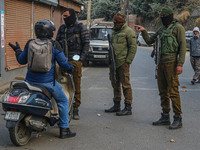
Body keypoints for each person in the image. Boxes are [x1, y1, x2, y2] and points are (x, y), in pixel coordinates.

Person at [9, 20, 76, 138]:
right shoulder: (54, 45)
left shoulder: (30, 43)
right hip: (48, 83)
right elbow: (64, 64)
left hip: (29, 82)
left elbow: (21, 60)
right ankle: (64, 129)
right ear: (49, 32)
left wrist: (17, 51)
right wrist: (71, 67)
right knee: (63, 101)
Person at [135, 6, 186, 129]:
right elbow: (149, 41)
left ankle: (178, 118)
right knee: (163, 91)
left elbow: (183, 47)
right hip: (161, 64)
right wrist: (143, 30)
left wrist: (180, 64)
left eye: (165, 17)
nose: (163, 19)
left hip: (172, 63)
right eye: (161, 17)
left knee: (173, 91)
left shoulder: (178, 28)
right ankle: (165, 116)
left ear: (170, 17)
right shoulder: (162, 29)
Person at [56, 8, 89, 120]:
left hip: (75, 62)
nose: (64, 19)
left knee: (75, 85)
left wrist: (80, 61)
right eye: (63, 16)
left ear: (72, 16)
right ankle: (62, 108)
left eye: (66, 16)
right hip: (62, 61)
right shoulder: (62, 29)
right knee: (60, 85)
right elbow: (56, 44)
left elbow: (86, 45)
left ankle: (75, 108)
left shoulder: (80, 28)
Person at [105, 12, 137, 116]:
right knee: (115, 84)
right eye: (114, 22)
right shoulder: (114, 32)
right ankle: (116, 105)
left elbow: (133, 47)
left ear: (122, 22)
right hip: (113, 62)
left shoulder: (128, 32)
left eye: (117, 22)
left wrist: (128, 61)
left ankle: (128, 107)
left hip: (123, 62)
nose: (115, 23)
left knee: (125, 85)